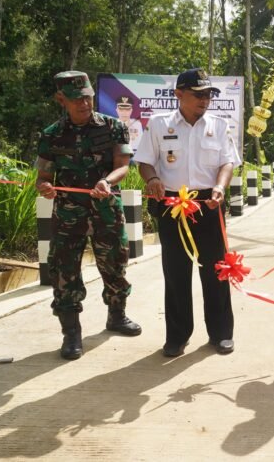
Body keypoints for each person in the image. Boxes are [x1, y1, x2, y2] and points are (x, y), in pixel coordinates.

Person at [36, 71, 142, 361]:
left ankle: (116, 316)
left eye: (87, 97)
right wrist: (44, 187)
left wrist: (108, 181)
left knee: (115, 264)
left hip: (105, 210)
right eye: (76, 99)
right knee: (64, 271)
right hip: (69, 214)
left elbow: (123, 166)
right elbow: (43, 176)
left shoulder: (113, 127)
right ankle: (71, 334)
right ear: (61, 99)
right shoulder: (50, 135)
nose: (84, 104)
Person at [134, 68, 239, 358]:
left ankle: (221, 334)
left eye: (208, 95)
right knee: (176, 272)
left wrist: (220, 187)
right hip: (172, 206)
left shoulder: (218, 125)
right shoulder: (158, 125)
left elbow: (227, 163)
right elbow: (144, 161)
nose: (204, 100)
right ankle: (177, 337)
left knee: (216, 271)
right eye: (198, 95)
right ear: (179, 94)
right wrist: (152, 179)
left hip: (208, 204)